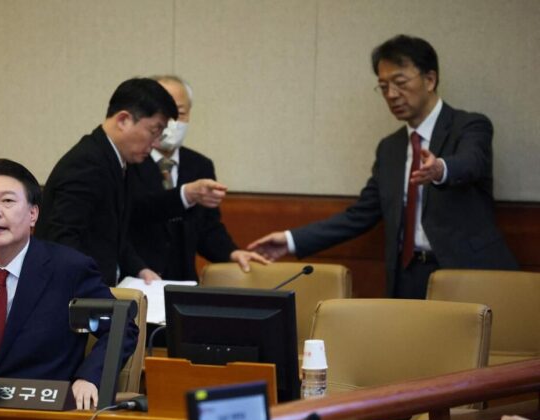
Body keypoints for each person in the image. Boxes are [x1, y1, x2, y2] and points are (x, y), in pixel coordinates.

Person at [248, 34, 517, 298]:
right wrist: (291, 240)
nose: (391, 94)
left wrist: (441, 169)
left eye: (400, 83)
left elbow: (472, 162)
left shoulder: (470, 126)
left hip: (465, 273)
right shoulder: (390, 148)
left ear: (430, 79)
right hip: (407, 277)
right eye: (384, 86)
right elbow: (360, 215)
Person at [0, 158, 138, 409]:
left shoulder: (68, 268)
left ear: (33, 214)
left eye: (7, 201)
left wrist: (89, 378)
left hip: (40, 410)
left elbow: (122, 328)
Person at [35, 77, 227, 286]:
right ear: (123, 120)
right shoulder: (87, 163)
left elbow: (112, 234)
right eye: (154, 131)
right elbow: (62, 241)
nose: (156, 143)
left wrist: (139, 269)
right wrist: (95, 291)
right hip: (76, 296)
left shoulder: (116, 160)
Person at [128, 75, 268, 281]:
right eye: (163, 112)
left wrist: (232, 253)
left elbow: (207, 228)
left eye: (180, 113)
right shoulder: (130, 160)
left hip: (183, 282)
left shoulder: (200, 165)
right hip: (136, 280)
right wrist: (185, 195)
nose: (171, 121)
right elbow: (136, 211)